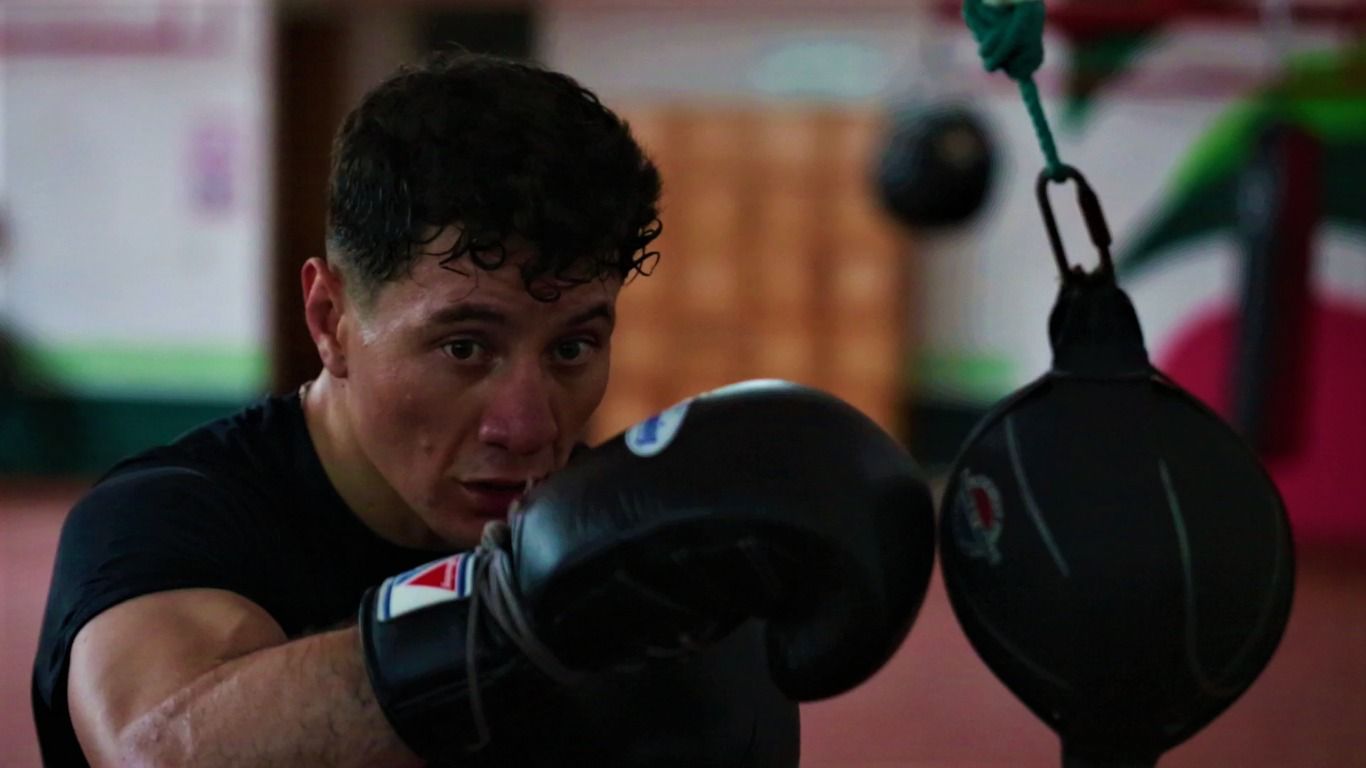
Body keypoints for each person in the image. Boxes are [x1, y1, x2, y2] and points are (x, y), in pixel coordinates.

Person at [32, 50, 933, 767]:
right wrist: (512, 621)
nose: (530, 426)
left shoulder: (630, 556)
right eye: (464, 346)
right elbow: (160, 748)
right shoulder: (165, 519)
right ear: (330, 318)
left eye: (574, 346)